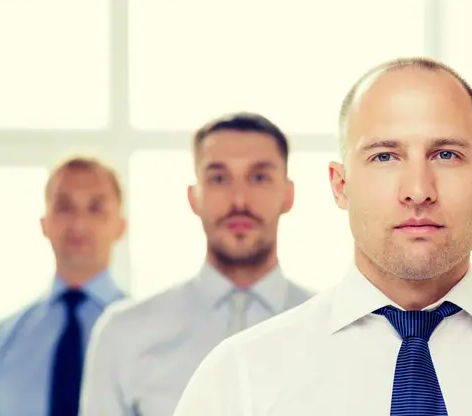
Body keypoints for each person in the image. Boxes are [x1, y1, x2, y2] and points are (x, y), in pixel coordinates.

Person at [170, 58, 472, 416]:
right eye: (385, 156)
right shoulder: (238, 379)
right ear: (340, 185)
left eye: (446, 155)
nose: (418, 190)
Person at [79, 112, 313, 416]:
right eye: (218, 178)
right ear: (194, 197)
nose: (239, 200)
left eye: (259, 177)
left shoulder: (340, 333)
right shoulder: (123, 335)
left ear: (288, 195)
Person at [0, 156, 127, 416]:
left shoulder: (152, 338)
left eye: (96, 208)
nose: (79, 223)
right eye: (64, 207)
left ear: (120, 226)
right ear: (44, 224)